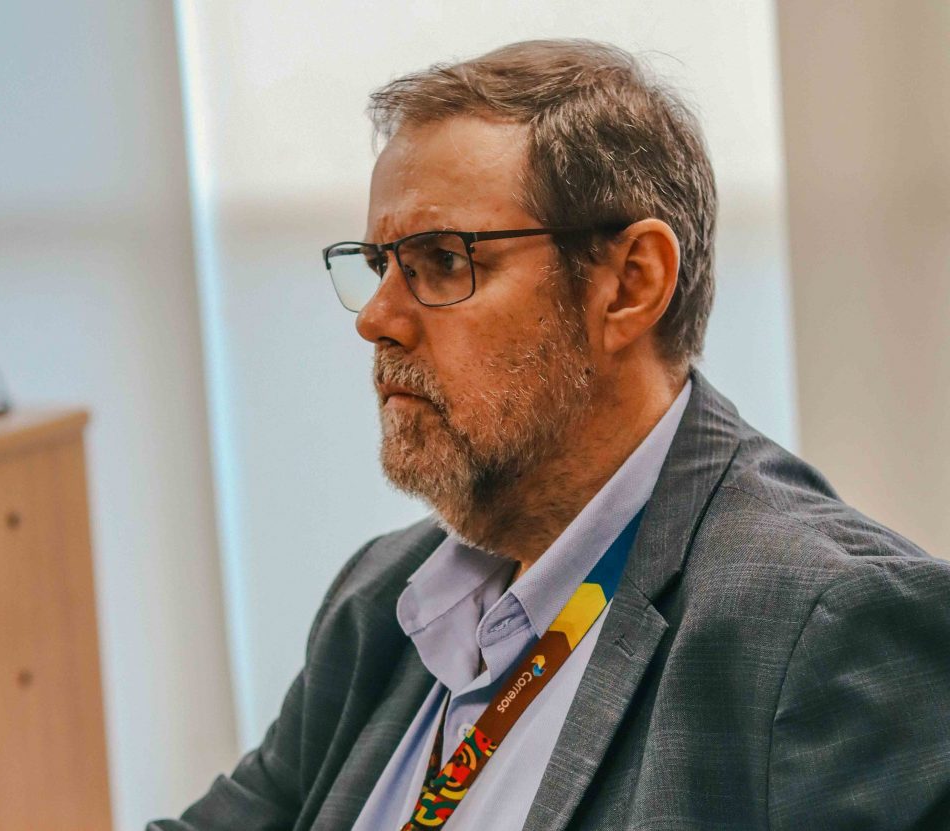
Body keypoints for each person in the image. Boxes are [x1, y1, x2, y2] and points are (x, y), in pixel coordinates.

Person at [149, 39, 950, 831]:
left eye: (441, 260)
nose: (377, 318)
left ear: (630, 284)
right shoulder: (383, 600)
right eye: (377, 264)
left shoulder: (823, 627)